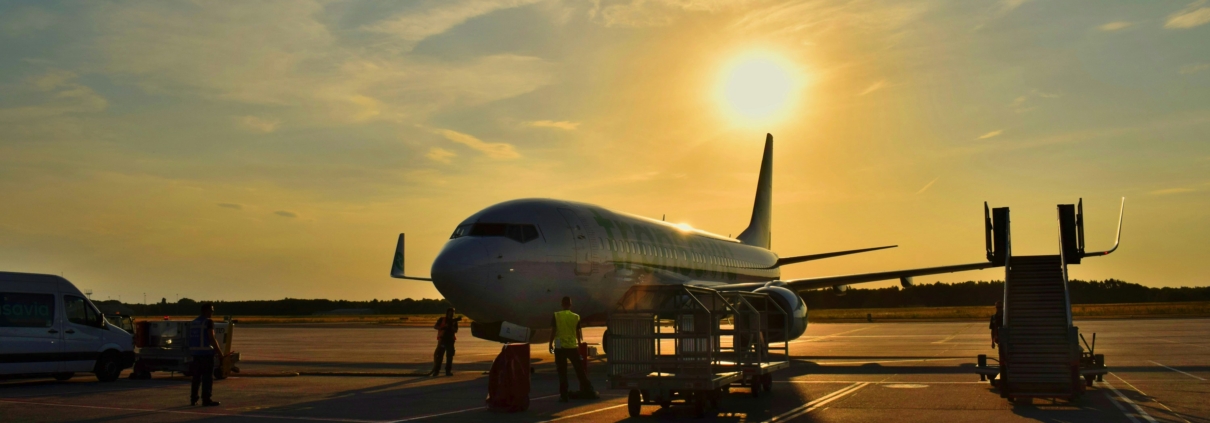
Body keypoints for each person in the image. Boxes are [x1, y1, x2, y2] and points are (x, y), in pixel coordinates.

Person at [549, 296, 597, 402]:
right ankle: (588, 390)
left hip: (560, 347)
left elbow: (553, 331)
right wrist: (579, 344)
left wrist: (550, 344)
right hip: (572, 347)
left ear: (562, 304)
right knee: (579, 370)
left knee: (562, 373)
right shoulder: (576, 317)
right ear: (570, 305)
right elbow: (578, 333)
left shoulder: (556, 315)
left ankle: (564, 395)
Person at [187, 302, 221, 406]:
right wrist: (220, 353)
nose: (212, 313)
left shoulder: (194, 322)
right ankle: (206, 399)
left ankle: (193, 399)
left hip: (196, 354)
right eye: (211, 310)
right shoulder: (208, 322)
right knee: (207, 378)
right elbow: (212, 338)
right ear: (205, 311)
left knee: (196, 378)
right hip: (206, 354)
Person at [429, 308, 459, 376]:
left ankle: (448, 371)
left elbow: (456, 330)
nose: (451, 314)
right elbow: (435, 326)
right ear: (447, 313)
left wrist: (451, 327)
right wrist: (443, 327)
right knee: (439, 356)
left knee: (449, 356)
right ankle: (436, 371)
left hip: (450, 340)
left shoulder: (454, 321)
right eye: (450, 312)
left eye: (453, 313)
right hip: (442, 339)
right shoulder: (442, 319)